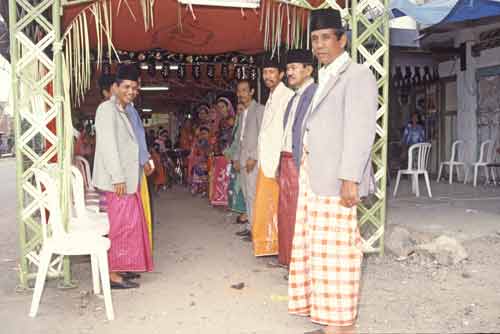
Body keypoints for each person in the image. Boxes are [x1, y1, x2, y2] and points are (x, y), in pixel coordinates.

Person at [288, 9, 377, 334]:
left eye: (327, 37)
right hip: (316, 176)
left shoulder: (358, 75)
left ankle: (343, 326)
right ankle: (331, 321)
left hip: (338, 180)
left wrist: (350, 179)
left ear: (342, 39)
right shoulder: (325, 75)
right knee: (319, 253)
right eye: (315, 39)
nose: (320, 44)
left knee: (340, 254)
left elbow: (360, 131)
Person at [93, 64, 154, 289]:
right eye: (127, 87)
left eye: (135, 88)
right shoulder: (106, 110)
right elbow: (108, 147)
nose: (131, 91)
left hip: (128, 178)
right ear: (116, 87)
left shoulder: (124, 109)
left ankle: (120, 267)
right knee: (118, 226)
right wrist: (118, 177)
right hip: (116, 181)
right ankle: (111, 274)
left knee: (128, 225)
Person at [277, 49, 317, 268]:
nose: (289, 73)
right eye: (288, 68)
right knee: (285, 213)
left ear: (308, 69)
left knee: (297, 215)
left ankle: (299, 264)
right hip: (285, 161)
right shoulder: (294, 98)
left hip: (299, 161)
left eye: (294, 68)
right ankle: (288, 259)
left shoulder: (315, 94)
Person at [252, 53, 294, 255]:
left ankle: (279, 247)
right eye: (265, 72)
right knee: (266, 207)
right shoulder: (271, 97)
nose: (267, 76)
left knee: (277, 208)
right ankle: (270, 247)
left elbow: (286, 132)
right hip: (267, 161)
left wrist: (280, 164)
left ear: (282, 74)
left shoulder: (286, 97)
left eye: (271, 72)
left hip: (277, 162)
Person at [234, 80, 264, 241]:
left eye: (244, 90)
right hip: (243, 160)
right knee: (246, 194)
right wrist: (237, 159)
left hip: (253, 160)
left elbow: (263, 136)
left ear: (252, 91)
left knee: (253, 195)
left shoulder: (259, 110)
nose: (241, 94)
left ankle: (256, 230)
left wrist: (254, 156)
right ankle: (249, 226)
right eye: (239, 91)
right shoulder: (242, 113)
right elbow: (240, 138)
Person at [224, 102, 247, 220]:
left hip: (244, 159)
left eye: (242, 109)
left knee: (243, 185)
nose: (240, 112)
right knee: (236, 184)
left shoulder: (246, 123)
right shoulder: (237, 124)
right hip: (235, 158)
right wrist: (229, 153)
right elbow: (234, 143)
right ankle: (240, 211)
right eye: (238, 110)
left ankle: (245, 213)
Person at [190, 126, 211, 195]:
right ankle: (198, 188)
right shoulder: (201, 141)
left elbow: (207, 152)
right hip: (200, 161)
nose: (203, 135)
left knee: (199, 169)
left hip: (208, 160)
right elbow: (196, 150)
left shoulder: (210, 141)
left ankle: (203, 189)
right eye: (202, 133)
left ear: (208, 133)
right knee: (196, 168)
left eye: (205, 133)